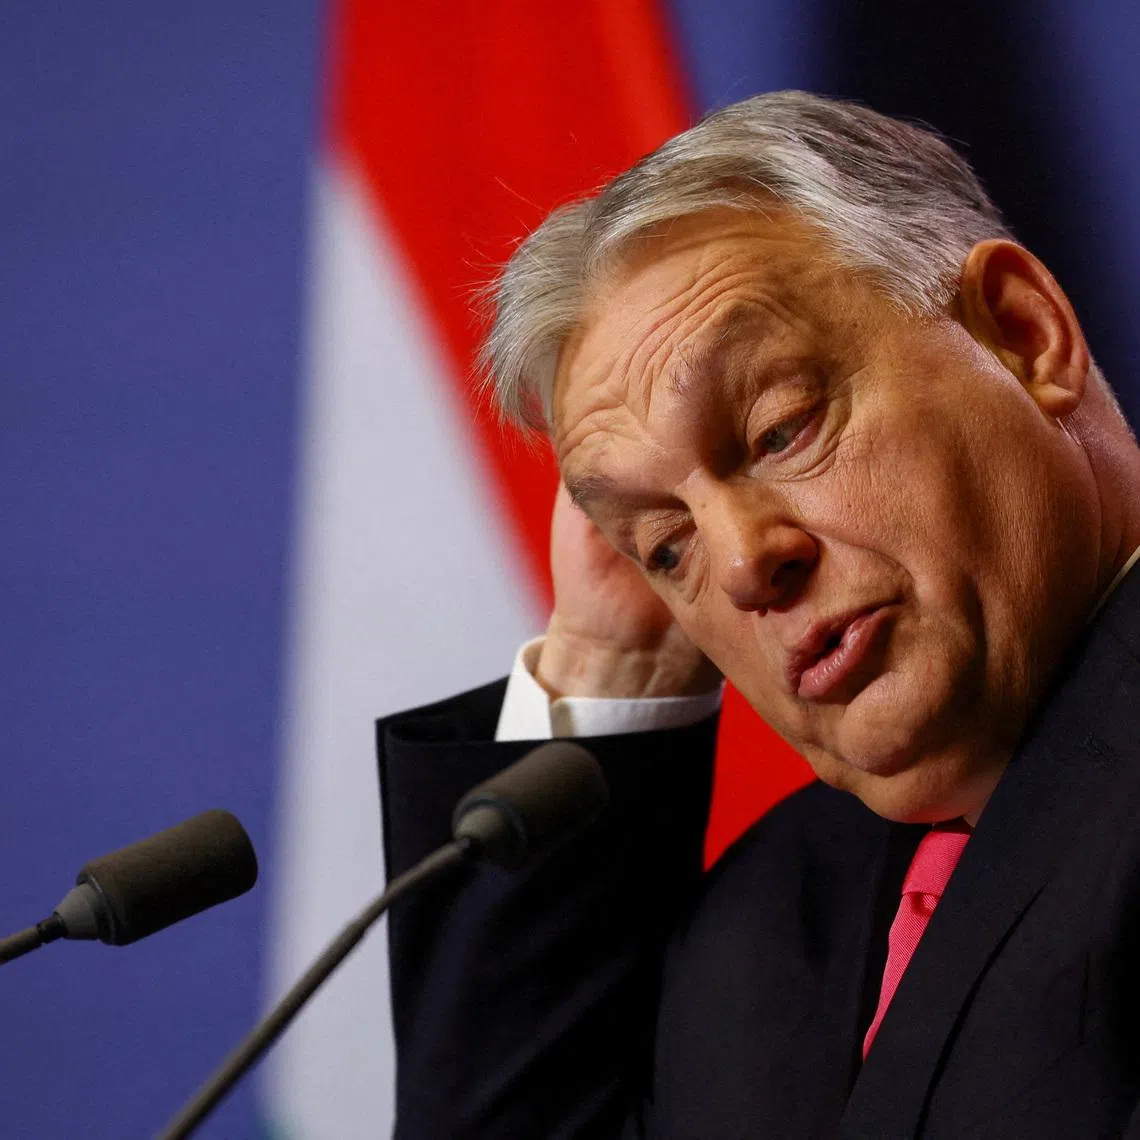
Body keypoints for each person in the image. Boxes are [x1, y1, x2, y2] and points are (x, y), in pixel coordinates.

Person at [377, 91, 1140, 1138]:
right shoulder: (765, 929)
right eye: (667, 547)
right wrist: (608, 666)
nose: (739, 567)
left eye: (782, 429)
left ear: (1022, 334)